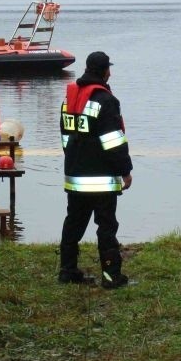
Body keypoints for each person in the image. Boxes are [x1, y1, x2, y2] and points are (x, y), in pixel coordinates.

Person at [59, 51, 133, 289]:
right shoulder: (106, 101)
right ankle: (112, 277)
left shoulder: (69, 98)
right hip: (101, 179)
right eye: (109, 69)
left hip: (75, 176)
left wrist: (72, 160)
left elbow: (66, 136)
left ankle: (67, 271)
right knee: (106, 227)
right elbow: (113, 142)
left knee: (73, 224)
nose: (110, 72)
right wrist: (126, 170)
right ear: (104, 71)